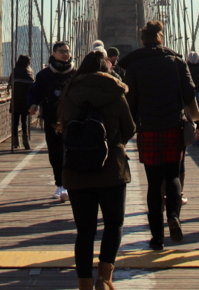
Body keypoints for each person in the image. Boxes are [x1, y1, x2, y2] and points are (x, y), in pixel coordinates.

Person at [58, 50, 135, 290]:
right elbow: (129, 128)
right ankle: (105, 279)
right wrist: (113, 144)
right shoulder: (115, 92)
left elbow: (61, 126)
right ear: (107, 68)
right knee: (114, 224)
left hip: (77, 171)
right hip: (111, 169)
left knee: (84, 231)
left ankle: (84, 285)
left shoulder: (69, 93)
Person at [120, 20, 199, 251]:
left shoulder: (134, 66)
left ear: (143, 40)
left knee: (154, 183)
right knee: (173, 176)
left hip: (148, 130)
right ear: (161, 37)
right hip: (173, 126)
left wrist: (128, 129)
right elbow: (189, 92)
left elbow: (130, 102)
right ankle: (173, 215)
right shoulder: (176, 62)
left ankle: (156, 238)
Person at [28, 40, 75, 201]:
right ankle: (60, 184)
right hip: (51, 118)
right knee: (55, 153)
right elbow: (35, 92)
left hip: (71, 119)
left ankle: (68, 184)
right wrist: (33, 104)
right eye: (61, 51)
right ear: (53, 54)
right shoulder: (44, 75)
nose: (65, 54)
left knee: (70, 151)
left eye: (67, 51)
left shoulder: (76, 74)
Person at [8, 53, 35, 150]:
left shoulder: (15, 71)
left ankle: (15, 142)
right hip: (25, 101)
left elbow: (10, 84)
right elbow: (33, 86)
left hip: (15, 100)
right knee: (24, 121)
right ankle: (25, 141)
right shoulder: (29, 71)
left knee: (15, 122)